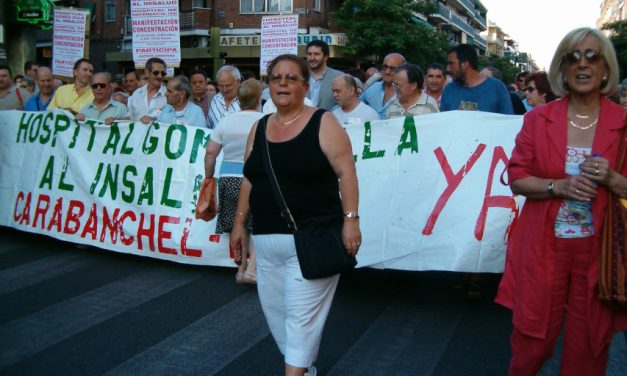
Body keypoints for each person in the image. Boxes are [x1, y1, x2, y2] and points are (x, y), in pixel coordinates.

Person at [495, 27, 627, 375]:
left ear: (605, 68)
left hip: (600, 254)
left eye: (592, 56)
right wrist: (559, 187)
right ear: (563, 69)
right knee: (531, 345)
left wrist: (613, 179)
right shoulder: (538, 119)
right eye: (573, 57)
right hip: (543, 249)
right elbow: (518, 176)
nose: (582, 65)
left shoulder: (624, 123)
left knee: (589, 349)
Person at [231, 54, 361, 376]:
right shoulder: (259, 127)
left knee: (300, 320)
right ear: (268, 85)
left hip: (313, 238)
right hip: (266, 242)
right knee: (278, 317)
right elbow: (250, 177)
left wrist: (350, 221)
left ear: (305, 85)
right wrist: (238, 223)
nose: (282, 83)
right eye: (276, 78)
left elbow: (347, 173)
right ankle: (306, 369)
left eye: (291, 78)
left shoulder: (324, 122)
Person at [205, 79, 265, 285]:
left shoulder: (226, 121)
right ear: (259, 98)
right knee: (257, 224)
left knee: (238, 225)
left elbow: (211, 153)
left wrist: (208, 178)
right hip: (256, 179)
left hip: (228, 179)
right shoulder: (266, 120)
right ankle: (252, 269)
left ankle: (240, 268)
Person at [440, 45, 513, 114]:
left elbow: (507, 122)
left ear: (465, 64)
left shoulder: (497, 88)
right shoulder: (448, 90)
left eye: (451, 64)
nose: (448, 68)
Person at [360, 53, 406, 119]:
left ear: (403, 70)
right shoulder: (373, 88)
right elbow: (357, 106)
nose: (387, 72)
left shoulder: (407, 92)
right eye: (385, 67)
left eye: (392, 68)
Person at [305, 40, 343, 111]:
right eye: (309, 54)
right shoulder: (299, 76)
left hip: (330, 120)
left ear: (325, 57)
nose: (312, 58)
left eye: (316, 54)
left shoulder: (339, 77)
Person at [127, 57, 167, 124]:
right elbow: (130, 118)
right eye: (156, 73)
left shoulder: (169, 95)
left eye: (163, 73)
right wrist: (116, 121)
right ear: (147, 73)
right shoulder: (136, 94)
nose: (160, 76)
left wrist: (152, 119)